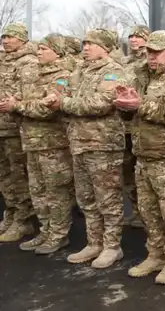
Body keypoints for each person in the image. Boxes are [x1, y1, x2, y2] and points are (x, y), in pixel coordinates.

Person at [116, 30, 165, 285]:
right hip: (143, 156)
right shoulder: (140, 76)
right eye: (149, 52)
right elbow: (131, 114)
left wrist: (140, 105)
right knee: (148, 211)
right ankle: (156, 253)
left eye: (157, 52)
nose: (152, 57)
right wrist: (124, 106)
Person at [52, 28, 127, 268]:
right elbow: (66, 92)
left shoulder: (113, 72)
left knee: (108, 199)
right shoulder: (80, 71)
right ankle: (94, 242)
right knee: (86, 198)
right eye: (84, 43)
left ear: (104, 48)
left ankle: (112, 246)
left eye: (91, 44)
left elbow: (100, 104)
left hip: (103, 144)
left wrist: (63, 103)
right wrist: (61, 98)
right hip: (79, 143)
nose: (85, 48)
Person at [3, 34, 73, 254]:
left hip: (53, 144)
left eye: (43, 49)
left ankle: (59, 235)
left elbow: (46, 109)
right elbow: (21, 98)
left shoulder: (63, 76)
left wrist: (17, 106)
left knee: (56, 191)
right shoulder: (35, 75)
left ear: (57, 52)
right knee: (37, 190)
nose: (39, 52)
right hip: (31, 142)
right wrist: (14, 103)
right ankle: (46, 230)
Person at [0, 22, 37, 243]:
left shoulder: (28, 62)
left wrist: (14, 102)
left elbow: (29, 93)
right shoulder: (2, 60)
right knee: (4, 177)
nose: (5, 41)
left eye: (10, 37)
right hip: (1, 128)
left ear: (22, 39)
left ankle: (24, 220)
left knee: (19, 176)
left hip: (16, 127)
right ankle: (12, 213)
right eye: (3, 37)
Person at [121, 25, 151, 229]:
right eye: (131, 36)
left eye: (138, 36)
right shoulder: (124, 62)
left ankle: (149, 213)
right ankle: (138, 211)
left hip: (142, 123)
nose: (133, 40)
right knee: (127, 173)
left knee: (145, 174)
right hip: (124, 125)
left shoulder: (150, 60)